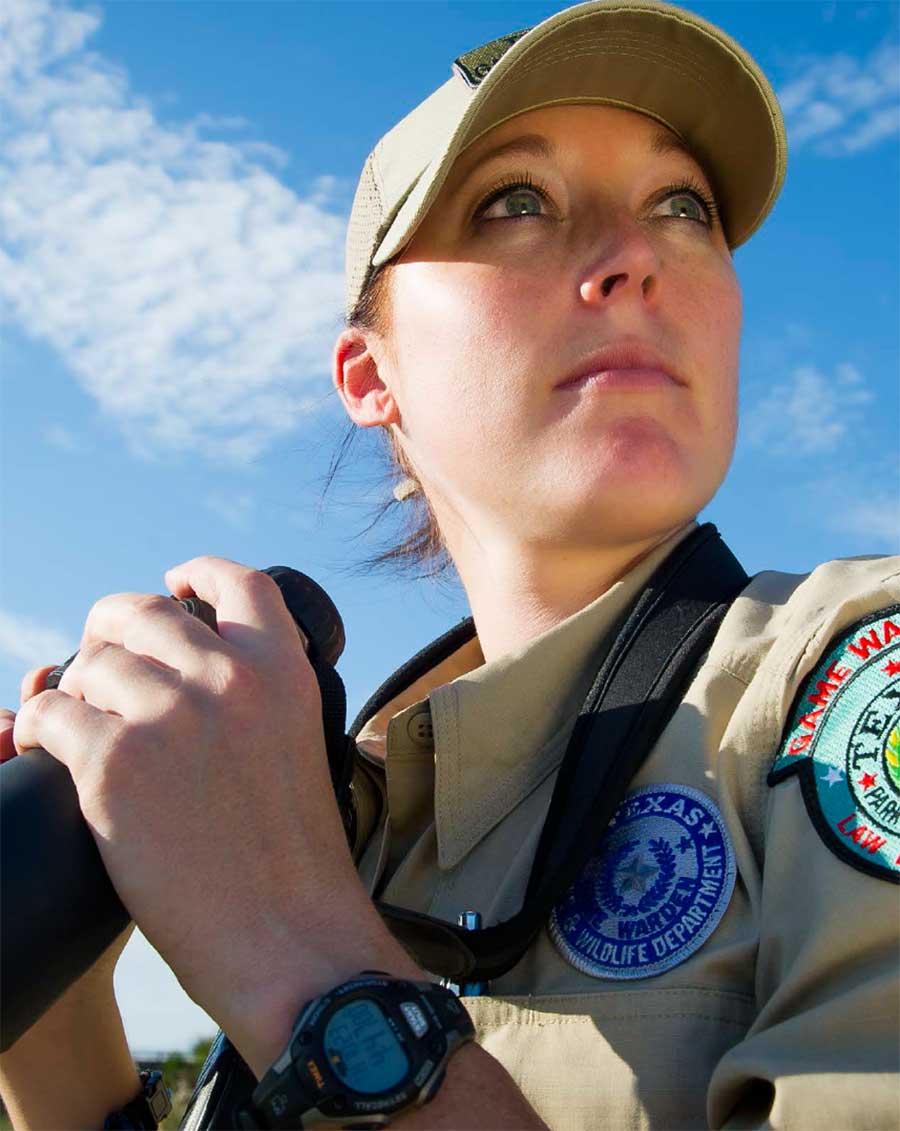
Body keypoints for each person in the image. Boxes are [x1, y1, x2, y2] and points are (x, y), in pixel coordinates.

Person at [1, 1, 898, 1128]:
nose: (634, 258)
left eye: (684, 207)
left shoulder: (854, 679)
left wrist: (299, 959)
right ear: (371, 376)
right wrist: (55, 996)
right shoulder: (318, 815)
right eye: (516, 202)